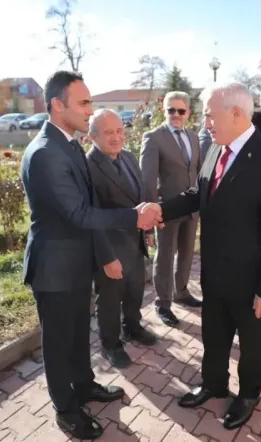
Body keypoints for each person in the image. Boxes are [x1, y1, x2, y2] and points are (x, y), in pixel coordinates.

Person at [143, 83, 261, 430]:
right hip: (214, 272)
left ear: (236, 113)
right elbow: (198, 192)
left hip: (251, 279)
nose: (205, 123)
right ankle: (214, 384)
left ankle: (249, 394)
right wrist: (161, 209)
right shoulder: (216, 149)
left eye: (210, 116)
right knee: (213, 334)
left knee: (251, 343)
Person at [20, 71, 161, 440]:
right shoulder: (46, 153)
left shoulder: (67, 144)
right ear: (57, 105)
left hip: (76, 264)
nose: (89, 109)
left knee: (80, 332)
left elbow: (88, 207)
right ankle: (66, 410)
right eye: (83, 103)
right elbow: (79, 214)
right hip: (55, 268)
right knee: (59, 343)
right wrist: (134, 216)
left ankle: (83, 385)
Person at [87, 109, 157, 368]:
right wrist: (107, 258)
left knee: (135, 290)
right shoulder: (88, 167)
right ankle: (111, 345)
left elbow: (140, 197)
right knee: (109, 300)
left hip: (134, 242)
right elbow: (91, 218)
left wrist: (147, 230)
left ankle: (133, 327)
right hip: (110, 249)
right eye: (108, 133)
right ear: (93, 136)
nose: (116, 137)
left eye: (119, 131)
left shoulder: (128, 157)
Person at [140, 91, 203, 327]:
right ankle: (163, 303)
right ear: (164, 110)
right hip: (166, 209)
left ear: (188, 113)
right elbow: (147, 180)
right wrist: (152, 216)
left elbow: (198, 173)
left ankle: (182, 292)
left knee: (186, 253)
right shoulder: (153, 137)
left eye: (180, 110)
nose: (176, 114)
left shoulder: (194, 137)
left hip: (191, 208)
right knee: (165, 257)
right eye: (171, 110)